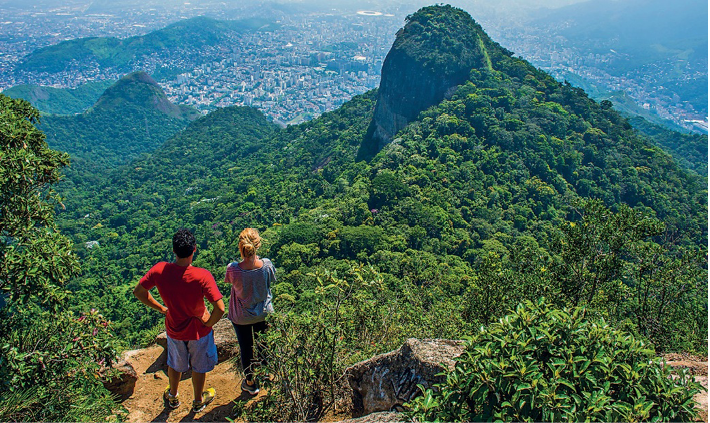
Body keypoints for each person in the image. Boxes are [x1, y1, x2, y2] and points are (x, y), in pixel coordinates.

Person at [133, 228, 225, 413]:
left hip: (174, 328)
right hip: (199, 331)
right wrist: (208, 323)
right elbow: (220, 308)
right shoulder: (202, 276)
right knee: (199, 366)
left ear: (174, 250)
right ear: (194, 249)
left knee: (174, 363)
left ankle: (173, 396)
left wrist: (161, 308)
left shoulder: (160, 270)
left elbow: (139, 292)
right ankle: (198, 400)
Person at [225, 228, 275, 395]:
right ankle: (267, 375)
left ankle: (250, 382)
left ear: (241, 247)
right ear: (258, 245)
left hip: (241, 316)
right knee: (263, 344)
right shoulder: (267, 265)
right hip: (263, 313)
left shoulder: (233, 269)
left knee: (246, 348)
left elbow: (231, 283)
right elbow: (270, 281)